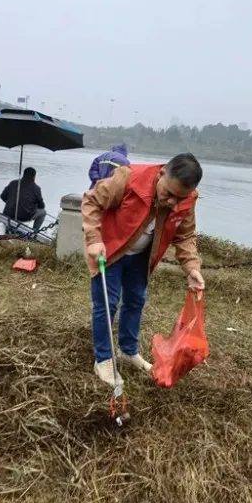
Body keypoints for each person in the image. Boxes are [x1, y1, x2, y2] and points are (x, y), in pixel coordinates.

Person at [82, 153, 205, 386]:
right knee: (107, 304)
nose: (173, 203)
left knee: (136, 300)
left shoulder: (186, 200)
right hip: (110, 251)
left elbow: (185, 235)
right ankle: (104, 359)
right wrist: (94, 238)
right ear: (161, 174)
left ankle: (128, 351)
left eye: (180, 198)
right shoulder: (129, 178)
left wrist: (191, 268)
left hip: (141, 257)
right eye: (169, 194)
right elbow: (91, 201)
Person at [1, 167, 47, 232]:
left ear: (23, 174)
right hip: (24, 217)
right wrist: (35, 205)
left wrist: (11, 203)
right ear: (34, 176)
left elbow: (2, 196)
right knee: (43, 212)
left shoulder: (13, 183)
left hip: (8, 213)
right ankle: (34, 231)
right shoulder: (36, 188)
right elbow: (42, 206)